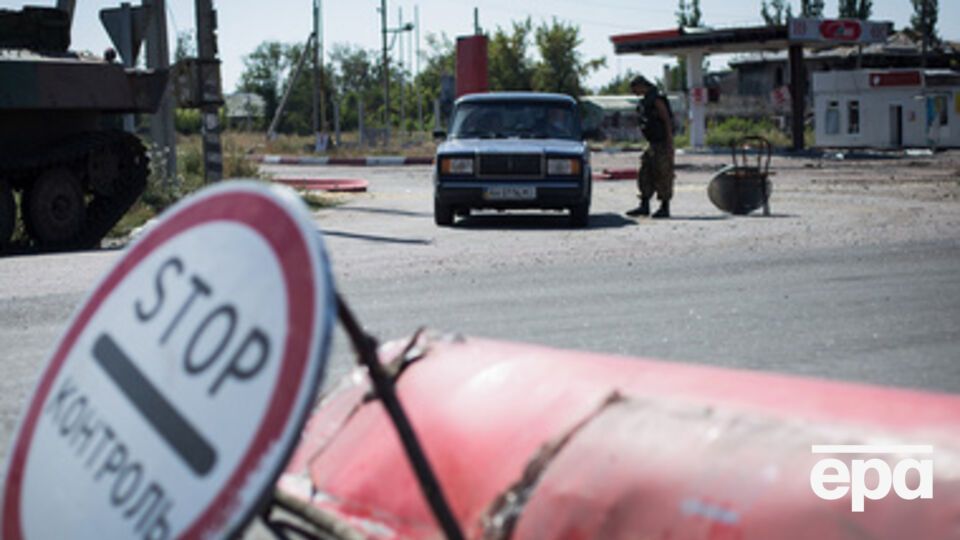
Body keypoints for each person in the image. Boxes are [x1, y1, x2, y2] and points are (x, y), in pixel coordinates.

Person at [625, 75, 675, 219]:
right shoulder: (646, 101)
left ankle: (664, 207)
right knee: (645, 172)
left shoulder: (656, 99)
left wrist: (670, 144)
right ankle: (644, 205)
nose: (634, 92)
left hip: (662, 142)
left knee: (663, 173)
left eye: (634, 88)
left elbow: (666, 121)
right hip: (652, 143)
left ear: (641, 85)